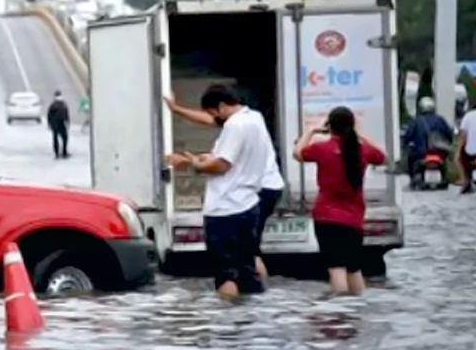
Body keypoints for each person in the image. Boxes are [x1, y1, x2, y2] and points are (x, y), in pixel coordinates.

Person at [165, 86, 272, 298]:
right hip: (249, 205)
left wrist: (194, 164)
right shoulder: (255, 118)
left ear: (222, 106)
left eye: (213, 113)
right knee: (247, 271)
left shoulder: (234, 125)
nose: (213, 119)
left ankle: (226, 325)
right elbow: (227, 157)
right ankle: (255, 321)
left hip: (225, 209)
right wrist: (194, 159)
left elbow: (222, 165)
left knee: (226, 274)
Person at [294, 107, 387, 296]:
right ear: (352, 126)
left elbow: (297, 153)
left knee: (336, 268)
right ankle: (356, 311)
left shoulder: (322, 149)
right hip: (353, 219)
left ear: (329, 126)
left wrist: (310, 132)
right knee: (354, 269)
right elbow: (382, 156)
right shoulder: (363, 150)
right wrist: (361, 133)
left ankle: (339, 312)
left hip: (326, 218)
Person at [402, 96, 454, 184]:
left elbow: (408, 136)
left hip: (420, 153)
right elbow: (449, 134)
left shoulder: (416, 121)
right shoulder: (440, 120)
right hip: (439, 151)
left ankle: (413, 178)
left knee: (411, 160)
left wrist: (404, 145)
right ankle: (444, 176)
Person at [46, 90, 70, 159]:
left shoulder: (53, 105)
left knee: (55, 138)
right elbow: (66, 114)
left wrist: (49, 124)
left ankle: (57, 153)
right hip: (61, 123)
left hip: (54, 124)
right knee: (65, 137)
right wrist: (67, 122)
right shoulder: (63, 104)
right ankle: (64, 152)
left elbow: (49, 115)